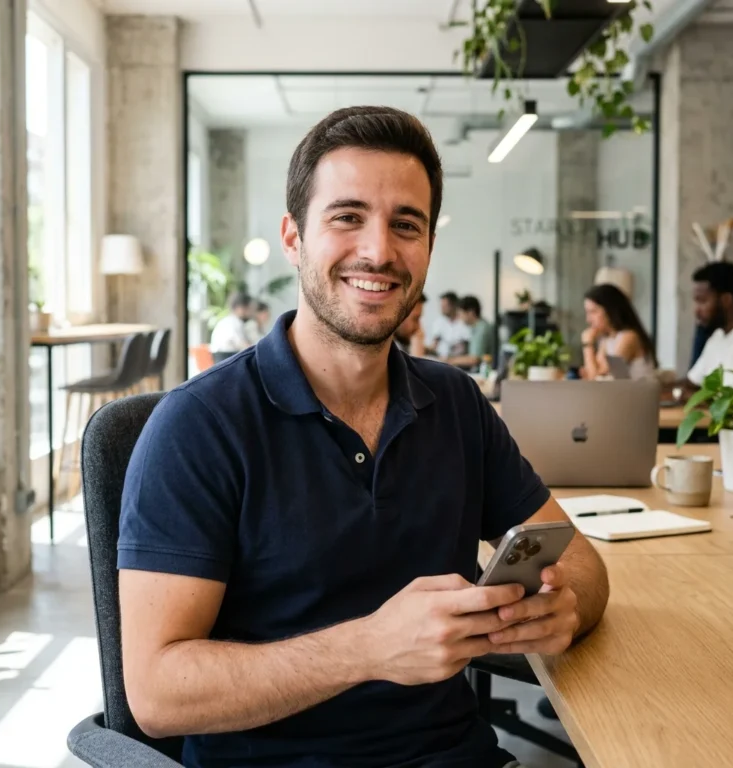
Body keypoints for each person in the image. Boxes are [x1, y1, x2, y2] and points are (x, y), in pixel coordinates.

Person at [118, 106, 609, 768]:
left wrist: (563, 610)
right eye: (347, 217)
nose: (379, 251)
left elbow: (582, 565)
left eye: (406, 225)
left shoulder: (456, 403)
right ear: (293, 238)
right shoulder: (197, 426)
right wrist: (371, 647)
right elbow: (155, 694)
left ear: (429, 248)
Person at [672, 261, 733, 396]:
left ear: (727, 300)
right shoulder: (717, 337)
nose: (697, 311)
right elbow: (691, 383)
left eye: (702, 301)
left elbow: (732, 400)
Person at [579, 283, 657, 380]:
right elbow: (595, 375)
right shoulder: (606, 340)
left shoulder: (629, 337)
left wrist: (588, 344)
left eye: (593, 312)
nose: (588, 320)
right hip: (622, 394)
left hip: (639, 394)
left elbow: (595, 381)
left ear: (610, 310)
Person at [447, 295, 494, 371]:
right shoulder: (477, 327)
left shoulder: (481, 329)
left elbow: (474, 359)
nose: (460, 317)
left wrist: (449, 360)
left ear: (471, 312)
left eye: (461, 313)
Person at [427, 291, 471, 358]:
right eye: (441, 306)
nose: (442, 309)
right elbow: (434, 345)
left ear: (453, 305)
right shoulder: (439, 322)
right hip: (441, 359)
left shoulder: (465, 323)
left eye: (444, 306)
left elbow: (466, 347)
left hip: (459, 361)